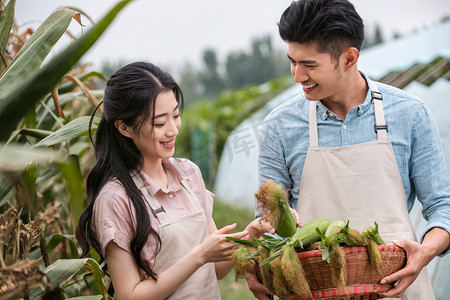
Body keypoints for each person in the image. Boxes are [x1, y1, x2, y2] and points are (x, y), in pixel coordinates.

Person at [248, 0, 450, 299]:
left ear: (349, 58)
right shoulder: (280, 125)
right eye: (293, 61)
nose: (297, 76)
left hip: (396, 287)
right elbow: (270, 217)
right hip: (314, 287)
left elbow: (442, 206)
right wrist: (257, 255)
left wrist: (426, 251)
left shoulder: (409, 113)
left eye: (310, 65)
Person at [75, 62, 270, 300]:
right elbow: (129, 295)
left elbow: (215, 269)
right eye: (159, 123)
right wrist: (199, 255)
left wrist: (251, 234)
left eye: (175, 115)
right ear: (124, 127)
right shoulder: (115, 198)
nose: (173, 130)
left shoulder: (188, 173)